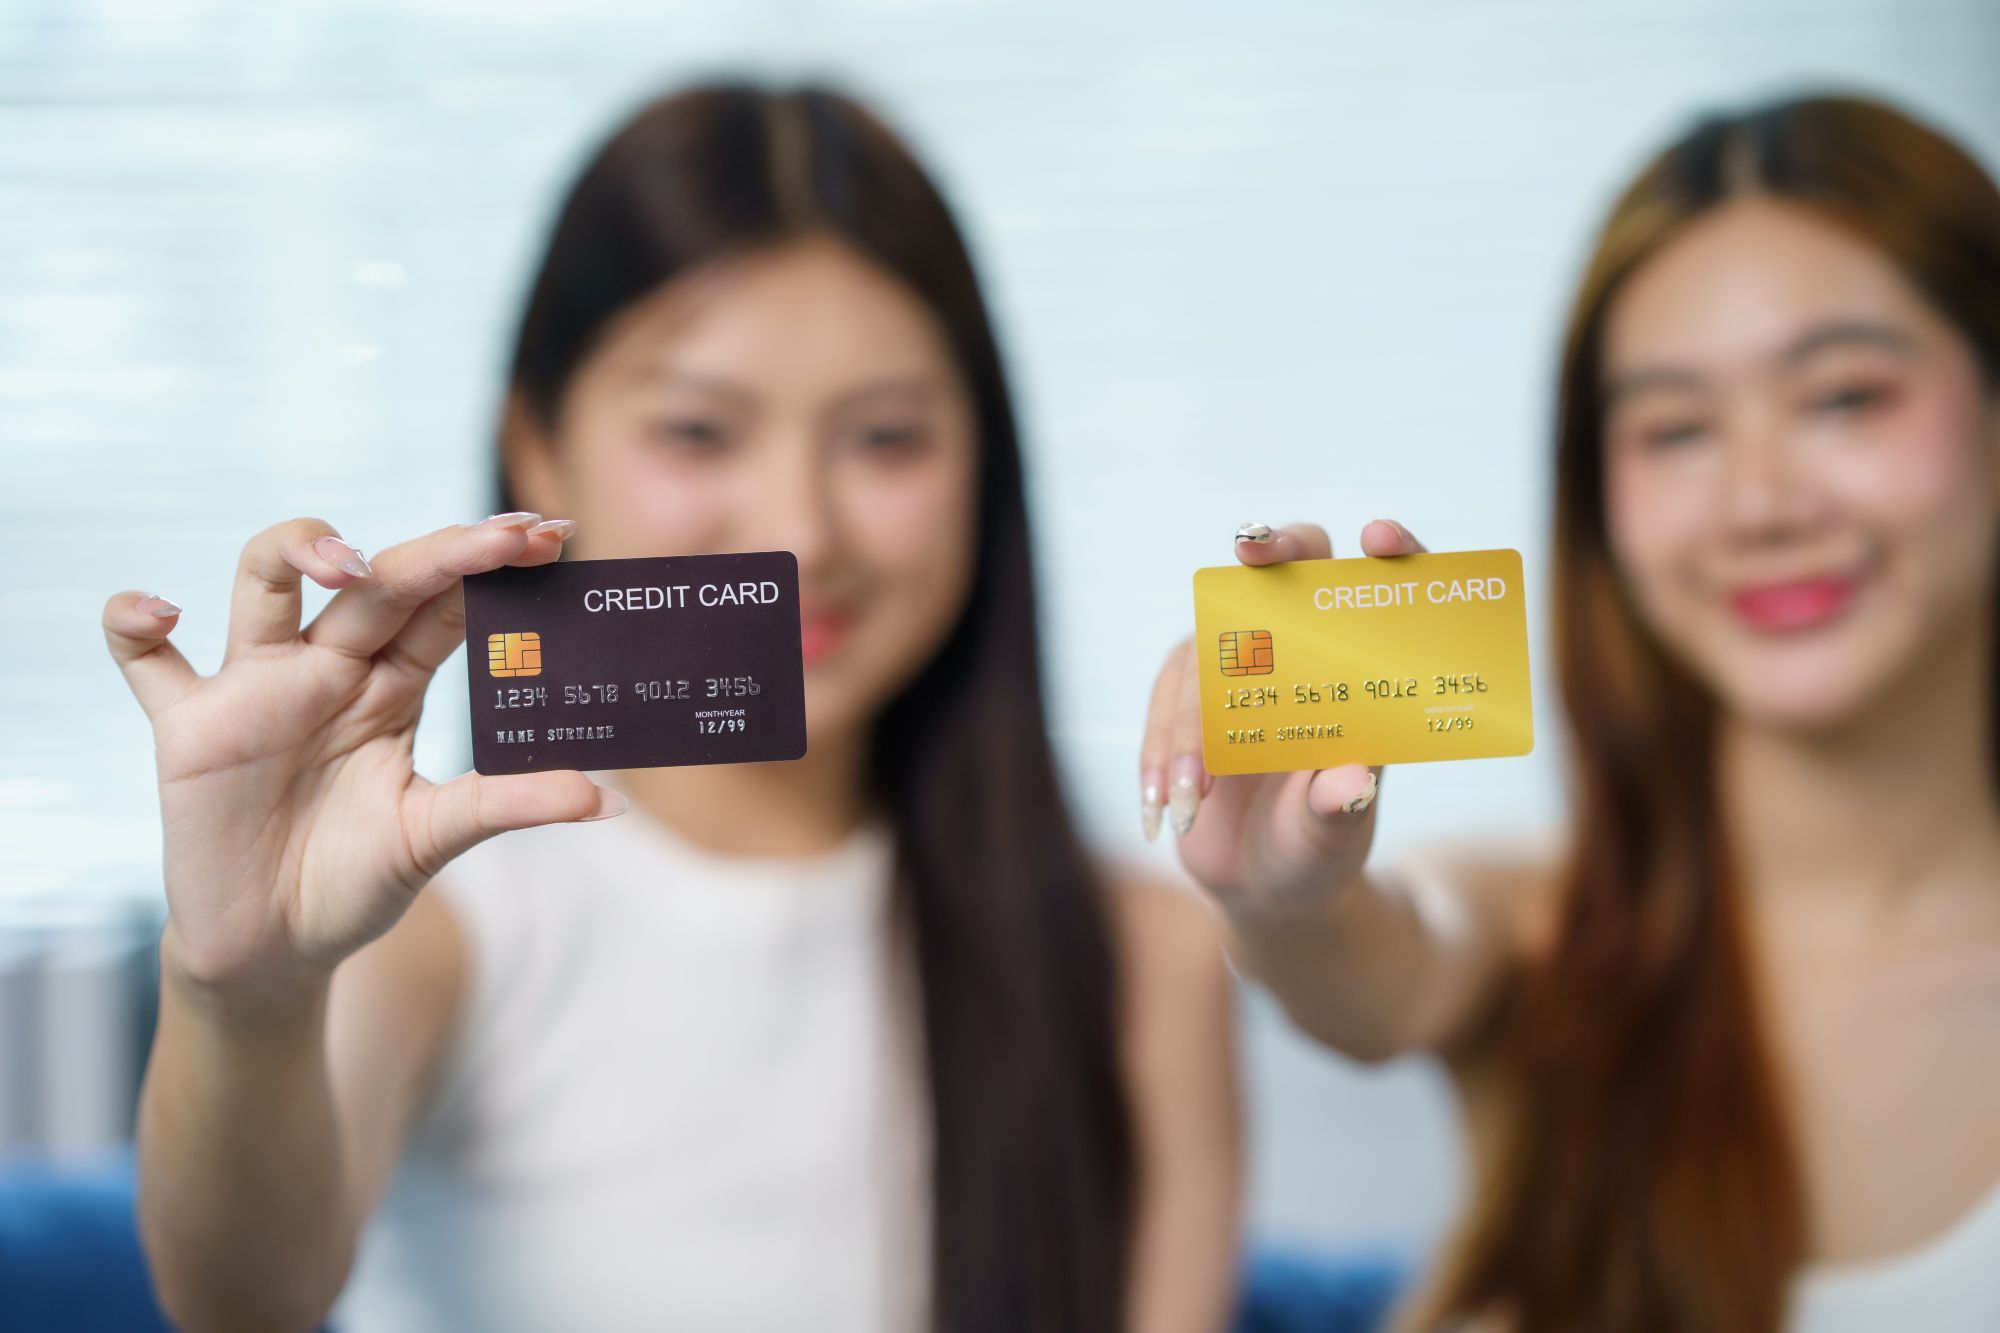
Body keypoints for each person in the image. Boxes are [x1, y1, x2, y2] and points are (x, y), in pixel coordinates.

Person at [104, 83, 1240, 1333]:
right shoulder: (438, 927)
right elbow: (242, 1298)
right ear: (538, 449)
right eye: (699, 430)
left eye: (886, 438)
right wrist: (244, 988)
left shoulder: (1149, 958)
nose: (802, 530)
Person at [1141, 93, 2000, 1332]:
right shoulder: (1552, 936)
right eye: (1674, 428)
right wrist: (1283, 899)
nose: (1757, 502)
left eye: (1841, 399)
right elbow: (1393, 957)